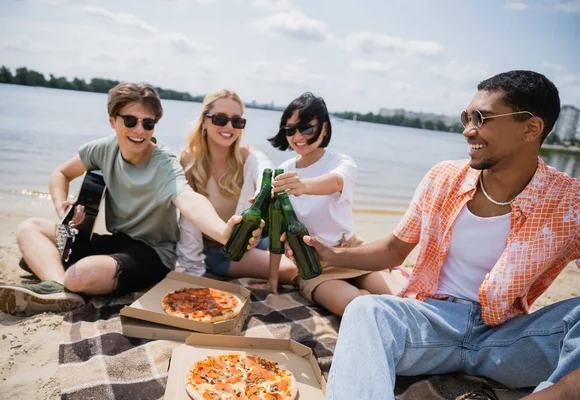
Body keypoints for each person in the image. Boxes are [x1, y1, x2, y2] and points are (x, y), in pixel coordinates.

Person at [282, 71, 580, 399]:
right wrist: (333, 255)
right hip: (430, 326)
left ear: (531, 128)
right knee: (366, 311)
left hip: (506, 341)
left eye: (481, 118)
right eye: (466, 117)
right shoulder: (443, 177)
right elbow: (395, 250)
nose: (468, 130)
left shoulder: (570, 202)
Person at [0, 82, 253, 316]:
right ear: (112, 121)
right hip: (115, 241)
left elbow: (189, 199)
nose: (139, 130)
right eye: (130, 121)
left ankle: (54, 273)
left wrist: (222, 232)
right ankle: (59, 287)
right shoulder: (103, 148)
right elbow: (61, 173)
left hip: (153, 253)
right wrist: (62, 208)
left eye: (148, 123)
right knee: (30, 227)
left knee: (81, 274)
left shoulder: (164, 162)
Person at [268, 92, 409, 315]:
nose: (298, 136)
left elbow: (334, 182)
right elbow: (277, 231)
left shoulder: (341, 162)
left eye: (306, 128)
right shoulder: (283, 171)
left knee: (402, 301)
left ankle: (393, 279)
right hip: (314, 265)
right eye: (290, 130)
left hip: (353, 252)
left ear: (324, 128)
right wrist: (272, 280)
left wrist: (303, 186)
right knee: (356, 308)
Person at [176, 89, 297, 289]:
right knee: (292, 269)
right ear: (204, 121)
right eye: (220, 119)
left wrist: (263, 191)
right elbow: (187, 218)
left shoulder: (247, 155)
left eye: (237, 121)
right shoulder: (188, 160)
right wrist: (193, 272)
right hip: (221, 251)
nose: (229, 127)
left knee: (309, 254)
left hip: (255, 239)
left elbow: (264, 169)